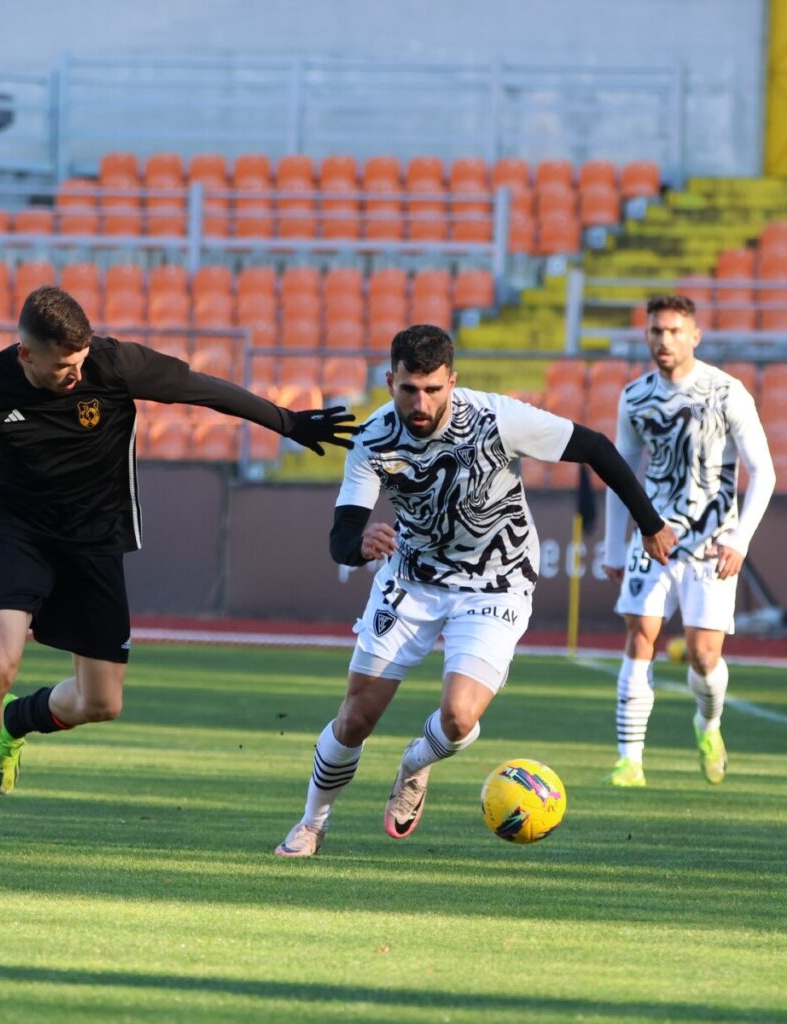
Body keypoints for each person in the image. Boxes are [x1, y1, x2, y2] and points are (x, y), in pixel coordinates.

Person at [0, 285, 358, 847]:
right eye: (61, 366)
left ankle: (18, 722)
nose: (74, 374)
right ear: (26, 354)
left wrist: (288, 423)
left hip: (95, 543)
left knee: (102, 702)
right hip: (18, 536)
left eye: (79, 361)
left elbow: (203, 389)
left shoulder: (115, 363)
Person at [274, 324, 677, 857]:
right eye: (409, 389)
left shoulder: (496, 418)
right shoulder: (372, 438)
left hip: (498, 579)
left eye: (433, 389)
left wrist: (649, 523)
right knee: (355, 718)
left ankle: (416, 764)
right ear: (390, 379)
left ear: (452, 381)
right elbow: (341, 536)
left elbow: (597, 448)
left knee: (460, 716)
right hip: (411, 579)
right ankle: (312, 823)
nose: (421, 402)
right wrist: (361, 543)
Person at [601, 294, 776, 787]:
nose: (664, 340)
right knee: (640, 639)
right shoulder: (634, 397)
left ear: (694, 336)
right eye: (657, 331)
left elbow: (763, 472)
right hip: (654, 540)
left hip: (713, 544)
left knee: (703, 657)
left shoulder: (727, 392)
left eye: (675, 331)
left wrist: (740, 541)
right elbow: (622, 475)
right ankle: (629, 760)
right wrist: (617, 546)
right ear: (647, 335)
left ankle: (709, 725)